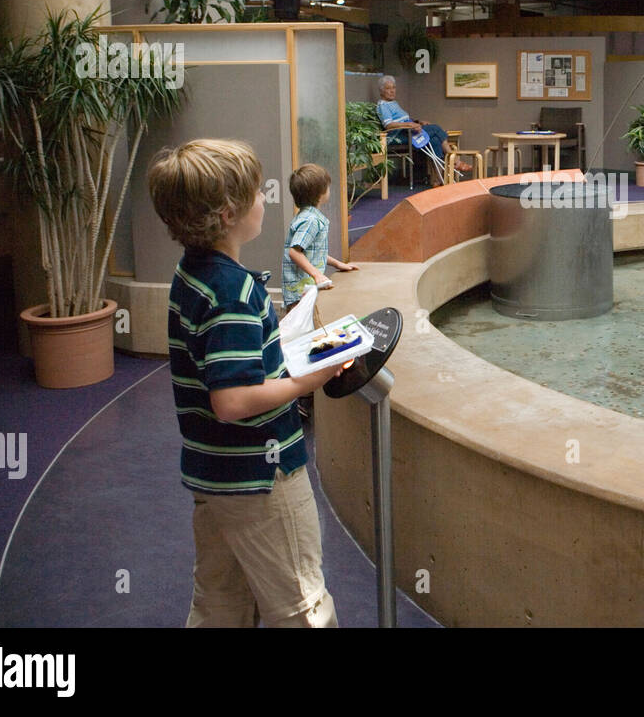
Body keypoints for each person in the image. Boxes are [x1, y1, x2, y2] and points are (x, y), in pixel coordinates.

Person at [147, 138, 342, 628]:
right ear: (230, 213)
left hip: (214, 473)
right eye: (257, 193)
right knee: (302, 605)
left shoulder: (193, 274)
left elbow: (227, 367)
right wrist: (307, 380)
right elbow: (231, 400)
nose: (265, 200)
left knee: (220, 602)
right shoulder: (233, 290)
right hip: (261, 473)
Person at [281, 163, 358, 418]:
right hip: (301, 291)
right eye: (327, 187)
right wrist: (316, 274)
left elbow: (315, 252)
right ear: (320, 193)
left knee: (307, 337)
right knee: (304, 341)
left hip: (304, 289)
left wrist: (337, 264)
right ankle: (301, 399)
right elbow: (295, 251)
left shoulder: (306, 216)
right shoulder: (311, 220)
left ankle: (304, 393)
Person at [376, 75, 471, 183]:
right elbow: (388, 125)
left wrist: (417, 122)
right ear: (381, 91)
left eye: (393, 88)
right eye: (388, 88)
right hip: (398, 136)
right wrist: (409, 126)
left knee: (435, 140)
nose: (392, 91)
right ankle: (455, 161)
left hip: (408, 132)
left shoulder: (393, 103)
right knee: (435, 128)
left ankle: (436, 180)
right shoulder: (383, 106)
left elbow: (404, 119)